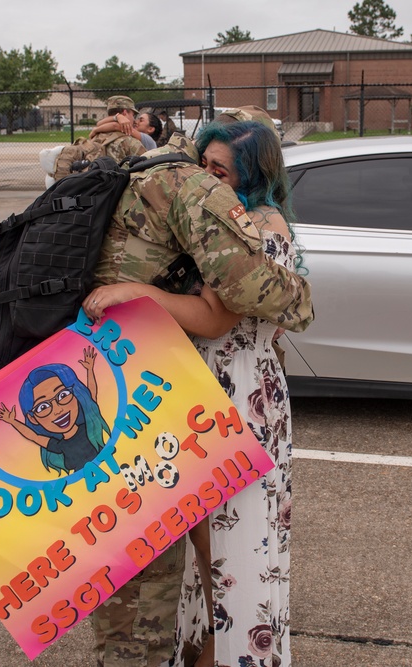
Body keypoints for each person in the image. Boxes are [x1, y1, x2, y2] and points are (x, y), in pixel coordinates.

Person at [85, 119, 312, 667]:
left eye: (219, 171)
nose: (204, 180)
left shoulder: (255, 226)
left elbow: (214, 319)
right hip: (207, 385)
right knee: (205, 544)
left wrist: (135, 293)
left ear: (254, 175)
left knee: (222, 550)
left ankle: (226, 654)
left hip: (233, 393)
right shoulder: (221, 220)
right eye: (201, 166)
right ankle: (205, 650)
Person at [0, 347, 109, 475]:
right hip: (88, 481)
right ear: (32, 418)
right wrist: (13, 422)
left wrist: (90, 370)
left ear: (75, 394)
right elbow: (33, 436)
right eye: (42, 407)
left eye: (62, 395)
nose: (58, 410)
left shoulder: (88, 425)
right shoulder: (58, 445)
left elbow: (91, 397)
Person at [89, 95, 147, 163]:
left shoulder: (95, 137)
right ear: (125, 113)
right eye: (133, 115)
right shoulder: (131, 142)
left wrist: (96, 130)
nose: (134, 119)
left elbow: (112, 125)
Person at [91, 110, 162, 151]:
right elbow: (99, 123)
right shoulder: (135, 137)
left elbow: (115, 126)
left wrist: (96, 130)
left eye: (141, 120)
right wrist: (117, 117)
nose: (136, 121)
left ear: (150, 129)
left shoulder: (149, 140)